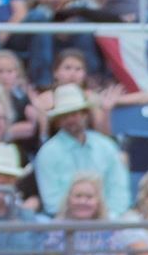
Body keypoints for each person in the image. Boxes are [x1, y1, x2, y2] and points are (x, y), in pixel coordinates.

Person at [33, 84, 129, 217]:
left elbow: (119, 191)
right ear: (58, 120)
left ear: (85, 114)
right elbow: (52, 202)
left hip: (108, 220)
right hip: (65, 223)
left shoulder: (106, 146)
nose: (71, 119)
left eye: (75, 113)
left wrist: (108, 217)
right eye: (65, 115)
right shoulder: (47, 153)